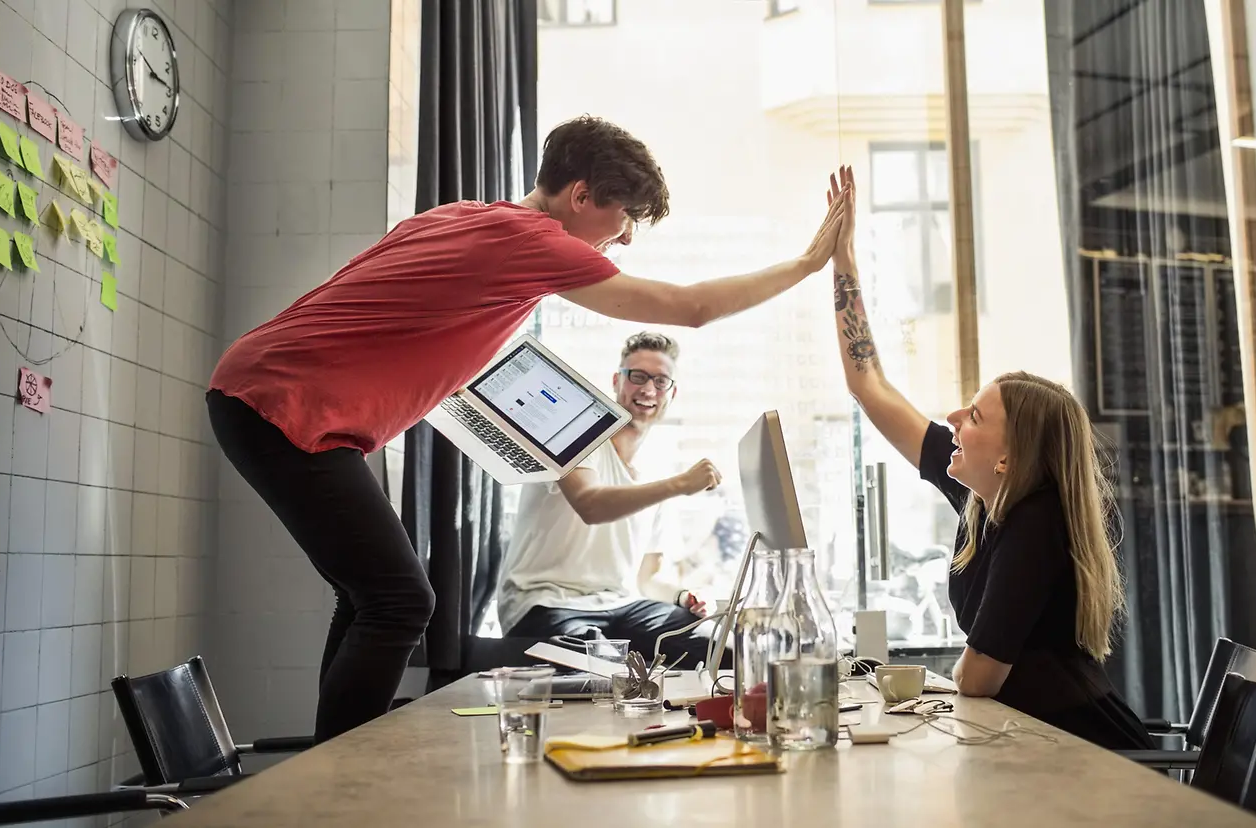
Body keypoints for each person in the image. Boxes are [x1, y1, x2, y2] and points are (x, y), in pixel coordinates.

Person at [206, 116, 847, 743]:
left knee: (370, 595)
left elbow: (394, 318)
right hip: (279, 401)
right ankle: (338, 783)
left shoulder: (466, 217)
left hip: (269, 394)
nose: (623, 240)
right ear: (581, 196)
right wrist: (808, 262)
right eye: (622, 219)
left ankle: (332, 761)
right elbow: (692, 308)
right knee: (401, 601)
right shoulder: (530, 243)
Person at [823, 166, 1153, 750]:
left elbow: (980, 675)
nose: (952, 419)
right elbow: (868, 385)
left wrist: (945, 682)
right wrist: (842, 260)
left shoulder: (1036, 520)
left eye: (974, 416)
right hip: (1035, 742)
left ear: (1010, 457)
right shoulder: (984, 501)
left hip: (1089, 756)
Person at [498, 332, 723, 668]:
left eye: (660, 381)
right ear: (618, 381)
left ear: (671, 393)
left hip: (621, 604)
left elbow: (648, 578)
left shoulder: (656, 469)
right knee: (602, 669)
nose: (648, 390)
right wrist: (679, 484)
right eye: (638, 377)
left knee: (717, 649)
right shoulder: (574, 435)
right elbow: (591, 504)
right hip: (545, 603)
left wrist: (682, 596)